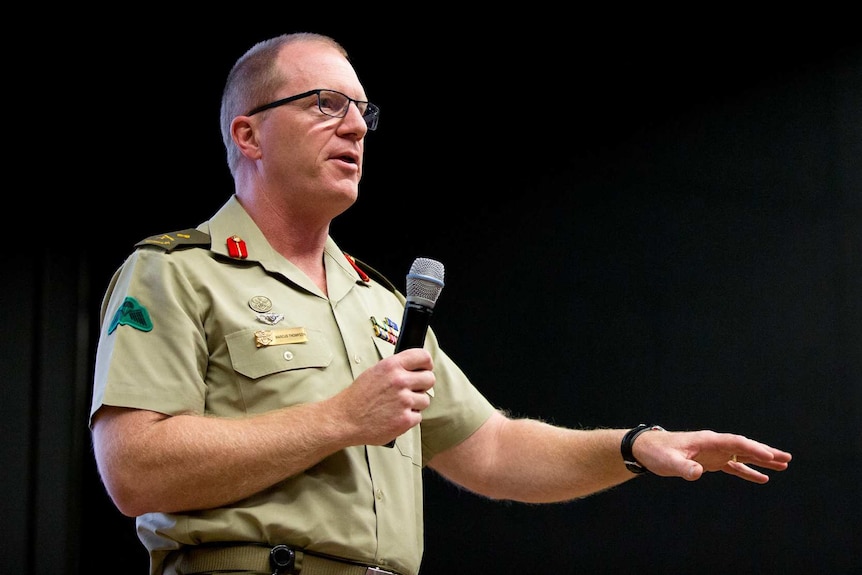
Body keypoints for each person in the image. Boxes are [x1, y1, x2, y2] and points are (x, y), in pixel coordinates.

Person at [89, 32, 792, 575]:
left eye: (363, 111)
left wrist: (634, 446)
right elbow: (133, 468)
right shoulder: (178, 273)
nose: (357, 128)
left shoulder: (379, 302)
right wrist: (339, 418)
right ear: (248, 134)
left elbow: (490, 448)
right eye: (325, 104)